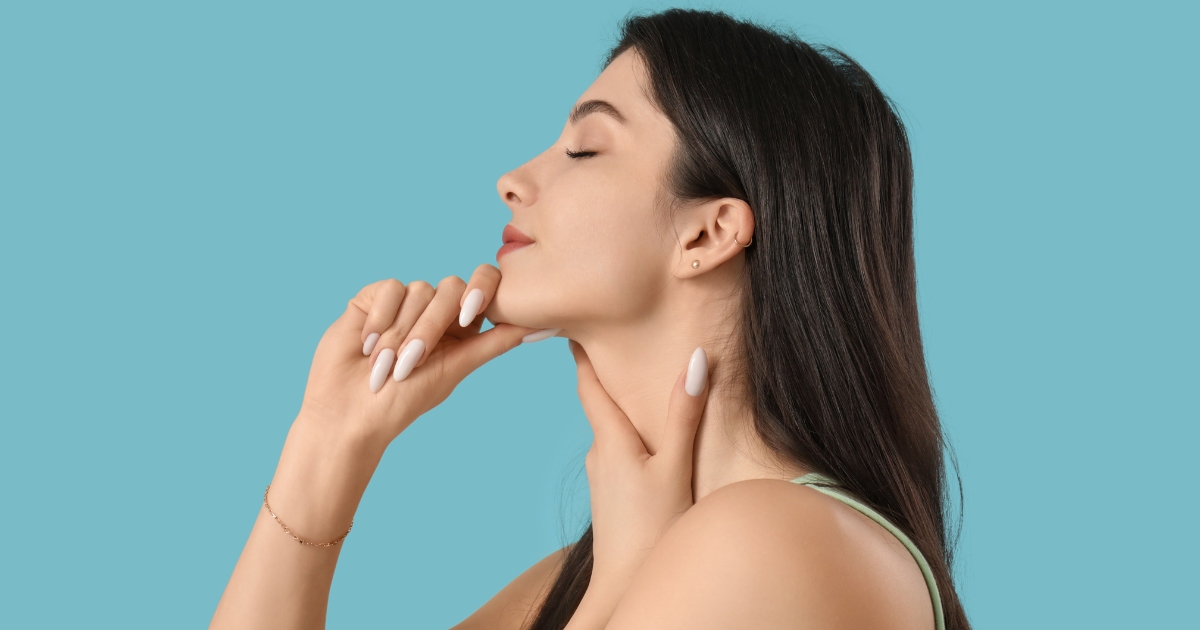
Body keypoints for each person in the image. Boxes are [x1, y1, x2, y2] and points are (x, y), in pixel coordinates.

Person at [210, 8, 970, 630]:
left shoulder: (773, 543)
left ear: (707, 234)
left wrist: (616, 590)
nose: (512, 181)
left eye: (584, 148)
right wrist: (328, 445)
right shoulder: (612, 559)